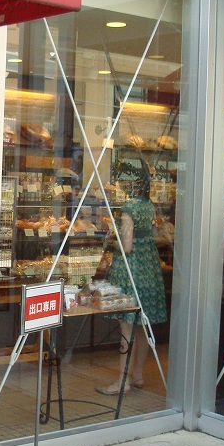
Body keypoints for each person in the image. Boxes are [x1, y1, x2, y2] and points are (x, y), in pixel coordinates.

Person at [95, 165, 167, 395]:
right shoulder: (148, 205)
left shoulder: (128, 209)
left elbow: (126, 247)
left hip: (131, 271)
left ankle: (122, 380)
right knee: (143, 326)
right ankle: (138, 375)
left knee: (127, 327)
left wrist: (111, 241)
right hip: (149, 269)